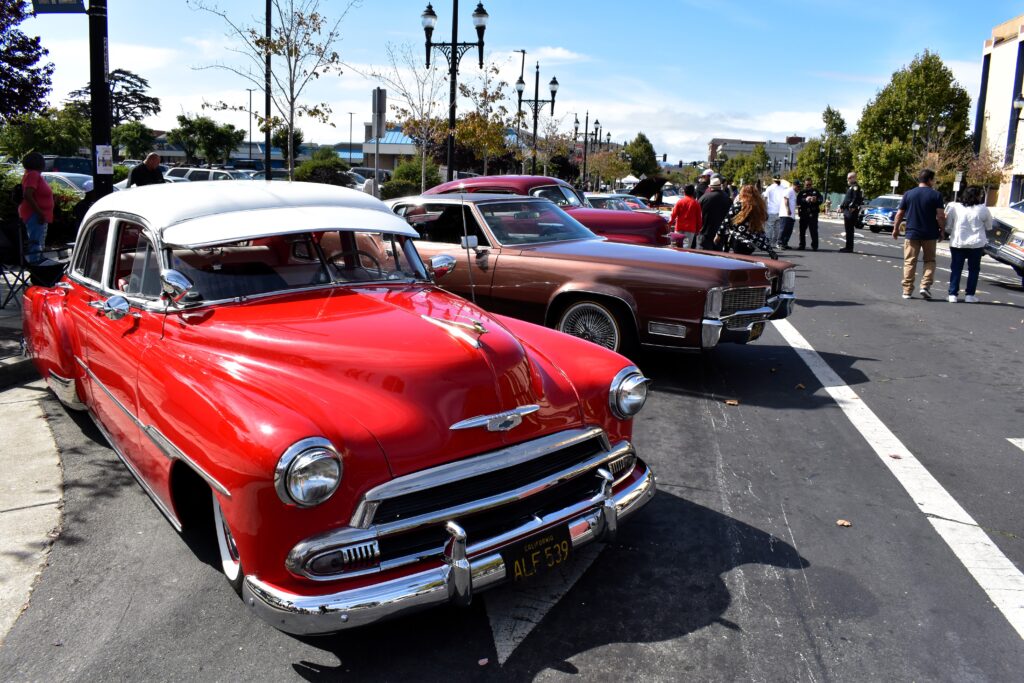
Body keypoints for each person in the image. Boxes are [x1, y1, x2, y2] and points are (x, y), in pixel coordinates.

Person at [892, 168, 945, 299]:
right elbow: (940, 215)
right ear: (929, 180)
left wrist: (896, 228)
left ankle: (907, 290)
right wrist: (942, 230)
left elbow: (900, 213)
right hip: (930, 233)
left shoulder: (908, 194)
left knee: (909, 261)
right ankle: (925, 285)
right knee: (929, 261)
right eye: (933, 179)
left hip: (912, 232)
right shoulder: (936, 195)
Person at [943, 185, 991, 303]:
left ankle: (952, 294)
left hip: (958, 242)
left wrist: (949, 232)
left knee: (956, 268)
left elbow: (949, 226)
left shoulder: (956, 208)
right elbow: (989, 226)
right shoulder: (983, 209)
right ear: (977, 196)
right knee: (973, 269)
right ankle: (970, 295)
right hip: (976, 244)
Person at [714, 184, 778, 259]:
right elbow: (766, 218)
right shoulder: (758, 207)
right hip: (754, 239)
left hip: (738, 239)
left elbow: (726, 222)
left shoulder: (738, 206)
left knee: (738, 260)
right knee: (746, 258)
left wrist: (718, 235)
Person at [18, 152, 54, 264]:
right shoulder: (33, 174)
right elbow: (28, 195)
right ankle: (36, 267)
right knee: (36, 243)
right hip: (34, 215)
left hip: (37, 214)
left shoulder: (31, 174)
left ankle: (37, 265)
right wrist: (40, 213)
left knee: (38, 242)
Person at [697, 176, 732, 251]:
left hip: (705, 232)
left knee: (704, 256)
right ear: (720, 186)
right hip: (720, 233)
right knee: (717, 257)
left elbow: (697, 213)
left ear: (710, 187)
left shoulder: (704, 197)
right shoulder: (727, 198)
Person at [838, 172, 863, 252]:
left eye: (849, 178)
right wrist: (842, 207)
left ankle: (849, 247)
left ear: (853, 178)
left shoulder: (855, 187)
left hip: (850, 211)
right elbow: (847, 199)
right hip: (847, 210)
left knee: (849, 229)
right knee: (848, 229)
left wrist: (852, 207)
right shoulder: (851, 187)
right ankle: (848, 246)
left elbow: (856, 198)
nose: (847, 179)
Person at [796, 177, 822, 250]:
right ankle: (802, 245)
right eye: (807, 185)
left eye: (810, 185)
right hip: (804, 214)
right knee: (802, 231)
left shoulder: (816, 192)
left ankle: (815, 246)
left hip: (813, 214)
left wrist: (815, 200)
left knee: (813, 230)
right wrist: (805, 200)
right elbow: (798, 201)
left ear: (812, 184)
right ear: (804, 184)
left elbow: (821, 200)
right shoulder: (801, 192)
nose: (808, 186)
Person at [762, 175, 785, 247]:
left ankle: (768, 242)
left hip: (771, 210)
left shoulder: (769, 188)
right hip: (780, 211)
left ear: (773, 180)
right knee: (777, 228)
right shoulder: (783, 188)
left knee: (769, 227)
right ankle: (775, 243)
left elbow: (765, 199)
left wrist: (764, 209)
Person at [777, 181, 798, 249]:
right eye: (797, 186)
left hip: (791, 216)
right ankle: (779, 243)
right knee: (783, 229)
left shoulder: (794, 192)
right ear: (793, 185)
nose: (798, 187)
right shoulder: (789, 190)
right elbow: (786, 199)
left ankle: (785, 243)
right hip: (785, 214)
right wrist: (788, 209)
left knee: (789, 230)